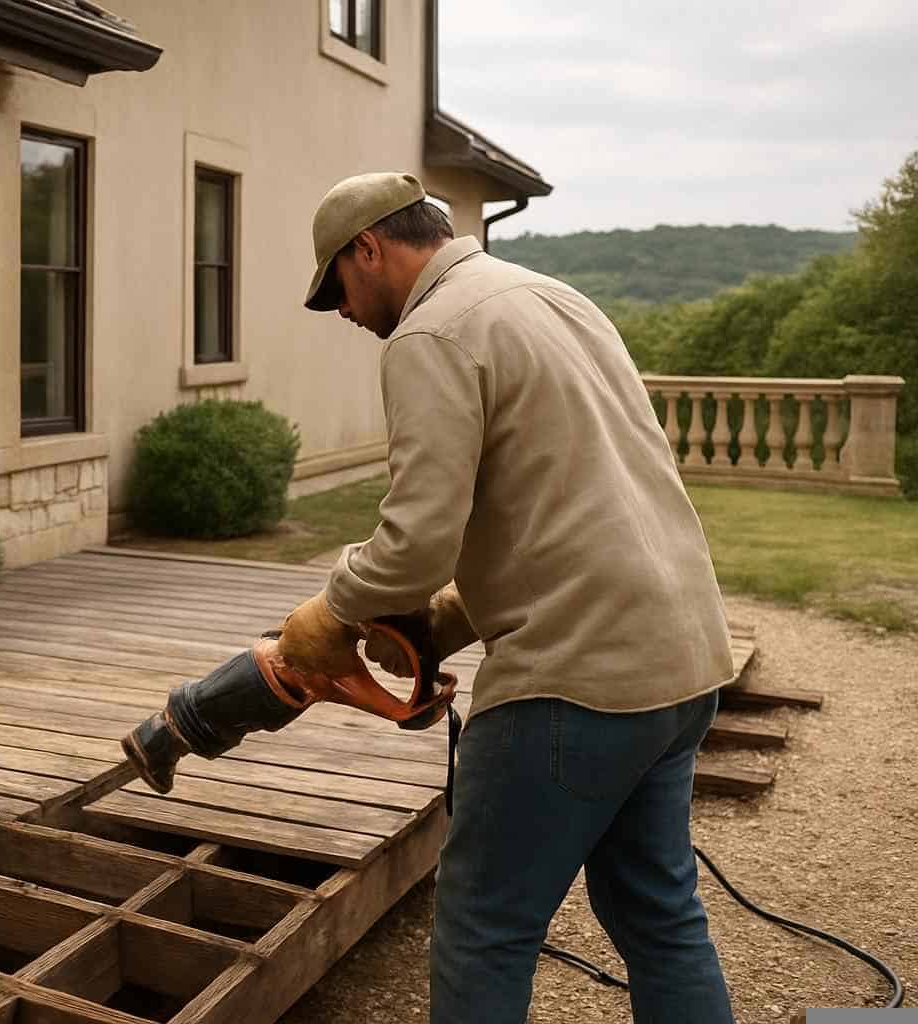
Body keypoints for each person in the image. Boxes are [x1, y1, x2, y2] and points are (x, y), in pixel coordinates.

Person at [276, 171, 737, 1024]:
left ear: (367, 249)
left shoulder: (430, 334)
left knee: (485, 924)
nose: (339, 311)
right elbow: (566, 497)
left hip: (576, 682)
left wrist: (333, 611)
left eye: (333, 287)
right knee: (660, 916)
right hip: (683, 664)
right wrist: (453, 617)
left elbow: (414, 542)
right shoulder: (553, 298)